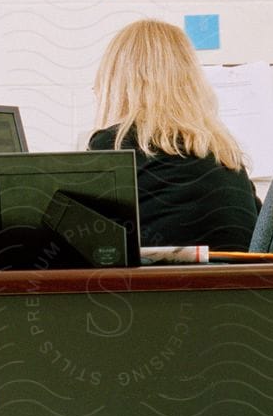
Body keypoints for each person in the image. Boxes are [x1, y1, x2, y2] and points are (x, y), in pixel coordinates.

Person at [88, 19, 261, 249]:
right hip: (240, 282)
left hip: (162, 284)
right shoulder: (226, 156)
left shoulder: (116, 145)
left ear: (116, 84)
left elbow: (86, 238)